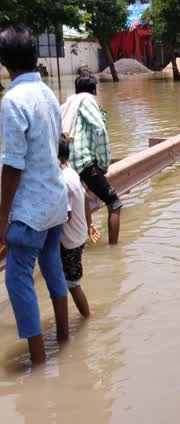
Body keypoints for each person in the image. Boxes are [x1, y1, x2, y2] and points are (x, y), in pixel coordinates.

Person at [0, 24, 70, 365]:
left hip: (30, 211)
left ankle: (39, 361)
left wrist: (2, 218)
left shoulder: (12, 101)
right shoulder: (47, 94)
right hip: (56, 202)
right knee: (52, 266)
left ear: (5, 62)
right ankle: (65, 337)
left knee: (17, 279)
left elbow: (11, 167)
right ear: (34, 56)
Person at [61, 72, 122, 244]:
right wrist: (103, 163)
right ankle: (114, 250)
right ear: (93, 91)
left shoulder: (68, 103)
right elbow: (100, 130)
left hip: (65, 163)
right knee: (114, 203)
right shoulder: (87, 100)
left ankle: (83, 235)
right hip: (83, 161)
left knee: (82, 196)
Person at [58, 134, 95, 318]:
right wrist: (89, 224)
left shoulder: (62, 181)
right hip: (79, 237)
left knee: (73, 285)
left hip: (69, 242)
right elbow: (87, 198)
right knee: (70, 282)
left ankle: (87, 317)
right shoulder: (71, 172)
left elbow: (67, 214)